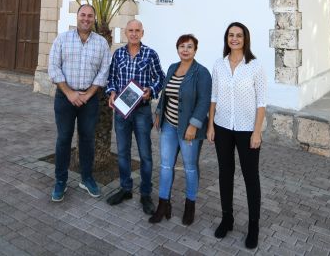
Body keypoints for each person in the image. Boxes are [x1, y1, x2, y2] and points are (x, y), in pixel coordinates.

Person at [207, 21, 267, 249]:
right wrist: (210, 125)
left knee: (251, 178)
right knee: (225, 174)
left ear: (245, 39)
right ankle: (227, 218)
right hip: (222, 127)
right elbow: (213, 97)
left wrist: (257, 132)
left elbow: (261, 103)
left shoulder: (255, 66)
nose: (234, 39)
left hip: (246, 130)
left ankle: (253, 226)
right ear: (226, 39)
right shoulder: (218, 64)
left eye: (238, 35)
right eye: (231, 35)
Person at [48, 3, 111, 202]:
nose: (86, 18)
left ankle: (87, 178)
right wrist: (69, 93)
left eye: (90, 16)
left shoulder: (101, 43)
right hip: (65, 98)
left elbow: (104, 71)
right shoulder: (62, 39)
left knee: (87, 139)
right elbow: (53, 68)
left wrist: (88, 93)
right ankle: (60, 181)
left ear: (94, 19)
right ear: (77, 17)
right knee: (64, 139)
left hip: (90, 100)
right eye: (83, 15)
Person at [149, 34, 212, 226]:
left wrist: (194, 125)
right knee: (165, 165)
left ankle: (189, 206)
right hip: (169, 125)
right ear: (177, 49)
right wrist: (159, 111)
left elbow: (204, 101)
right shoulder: (172, 67)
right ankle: (163, 204)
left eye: (189, 46)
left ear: (195, 50)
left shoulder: (201, 72)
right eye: (182, 46)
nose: (185, 50)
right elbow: (165, 94)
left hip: (188, 129)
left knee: (190, 167)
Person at [105, 19, 164, 215]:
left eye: (137, 30)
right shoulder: (118, 54)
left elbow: (160, 78)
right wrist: (112, 92)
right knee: (123, 152)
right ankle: (126, 189)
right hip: (122, 111)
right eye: (130, 30)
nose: (133, 33)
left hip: (142, 110)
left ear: (142, 33)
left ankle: (145, 193)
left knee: (145, 154)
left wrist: (151, 91)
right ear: (125, 32)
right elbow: (111, 78)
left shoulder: (150, 54)